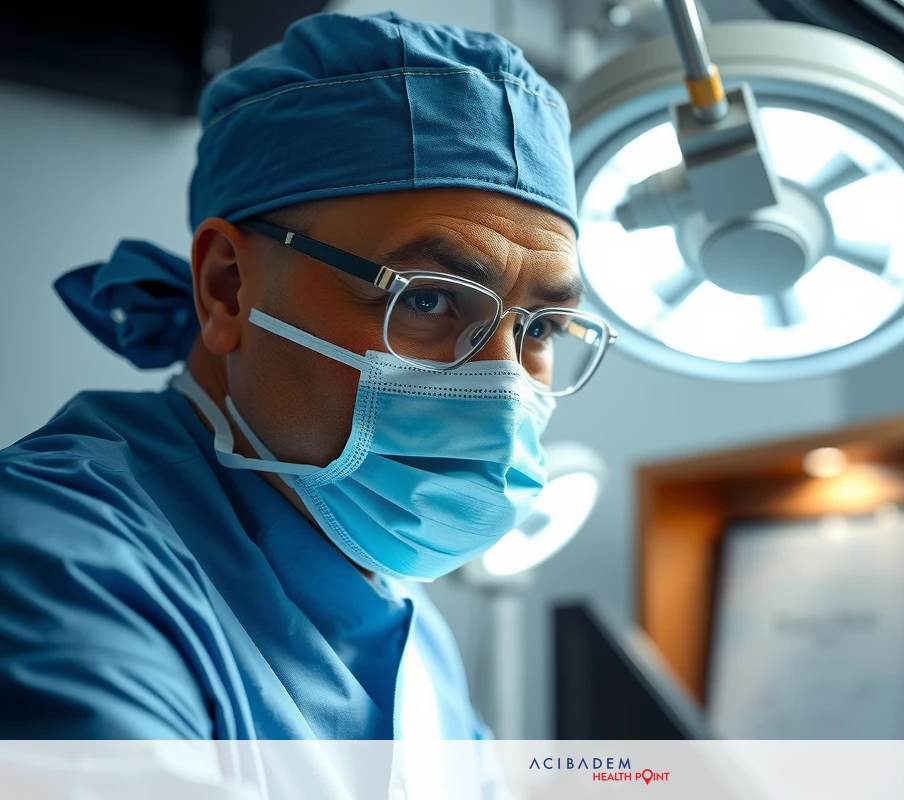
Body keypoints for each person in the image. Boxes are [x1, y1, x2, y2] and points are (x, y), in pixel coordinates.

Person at [0, 8, 613, 754]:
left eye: (540, 328)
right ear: (227, 289)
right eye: (426, 300)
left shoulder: (413, 644)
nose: (503, 385)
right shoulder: (54, 562)